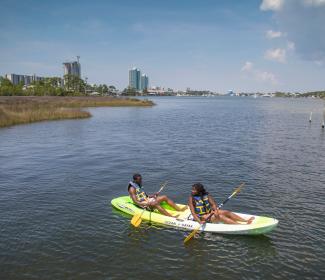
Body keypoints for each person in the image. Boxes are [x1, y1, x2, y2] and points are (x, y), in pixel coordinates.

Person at [188, 183, 254, 225]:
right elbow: (193, 213)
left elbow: (213, 204)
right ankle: (240, 225)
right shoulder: (192, 198)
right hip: (201, 217)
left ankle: (245, 220)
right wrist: (199, 221)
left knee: (226, 212)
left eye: (194, 190)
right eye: (192, 189)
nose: (192, 191)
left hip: (210, 212)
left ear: (199, 190)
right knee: (221, 217)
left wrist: (216, 211)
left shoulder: (207, 195)